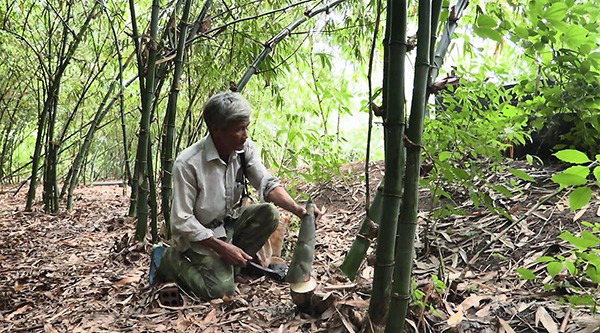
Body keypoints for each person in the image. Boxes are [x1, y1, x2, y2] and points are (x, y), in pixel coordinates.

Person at [155, 91, 321, 300]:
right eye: (240, 129)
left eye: (247, 127)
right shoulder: (188, 164)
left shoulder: (243, 149)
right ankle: (169, 259)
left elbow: (266, 182)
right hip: (199, 237)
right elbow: (182, 220)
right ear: (216, 129)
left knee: (268, 213)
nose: (246, 135)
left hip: (227, 225)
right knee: (220, 292)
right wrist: (223, 248)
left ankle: (232, 268)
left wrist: (297, 209)